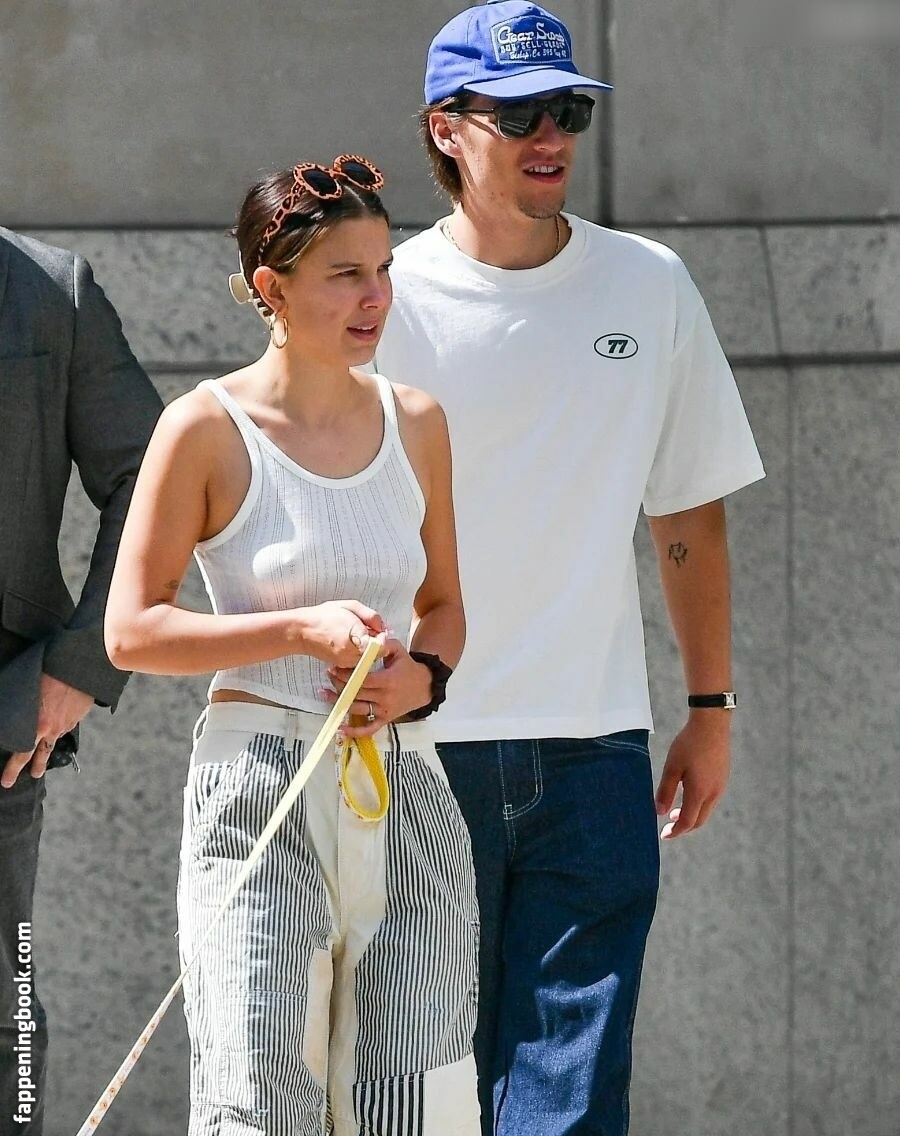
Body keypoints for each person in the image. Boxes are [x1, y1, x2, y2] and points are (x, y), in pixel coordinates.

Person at [368, 2, 766, 1133]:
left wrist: (709, 708)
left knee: (572, 1102)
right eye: (520, 114)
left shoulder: (649, 283)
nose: (551, 136)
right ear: (446, 129)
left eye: (569, 111)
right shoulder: (380, 298)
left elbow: (685, 510)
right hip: (415, 745)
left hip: (594, 750)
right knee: (420, 1095)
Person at [103, 157, 479, 1136]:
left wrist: (422, 679)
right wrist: (296, 630)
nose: (376, 297)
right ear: (271, 288)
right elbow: (132, 629)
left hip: (403, 779)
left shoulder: (417, 422)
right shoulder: (205, 427)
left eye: (383, 269)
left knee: (414, 1097)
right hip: (257, 780)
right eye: (345, 274)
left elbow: (443, 605)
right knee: (259, 1090)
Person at [0, 228, 162, 1135]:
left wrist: (78, 663)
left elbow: (151, 475)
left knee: (4, 1016)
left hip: (0, 720)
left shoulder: (47, 289)